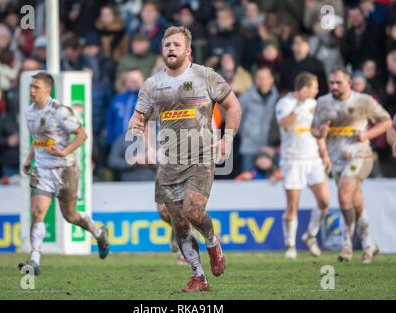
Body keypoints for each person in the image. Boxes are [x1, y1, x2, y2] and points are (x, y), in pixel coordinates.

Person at [127, 26, 242, 292]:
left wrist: (227, 139)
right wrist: (139, 138)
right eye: (167, 45)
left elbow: (233, 106)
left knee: (193, 212)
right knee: (178, 220)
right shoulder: (152, 85)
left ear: (187, 50)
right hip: (169, 160)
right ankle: (198, 277)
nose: (170, 49)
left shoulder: (206, 76)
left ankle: (212, 242)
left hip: (201, 155)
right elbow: (139, 119)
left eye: (176, 45)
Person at [18, 72, 110, 275]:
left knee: (70, 216)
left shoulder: (60, 111)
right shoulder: (29, 113)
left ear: (47, 90)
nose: (31, 91)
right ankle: (34, 261)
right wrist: (29, 159)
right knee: (37, 212)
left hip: (66, 169)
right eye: (31, 87)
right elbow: (38, 138)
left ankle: (99, 232)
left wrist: (64, 151)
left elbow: (82, 134)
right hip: (42, 169)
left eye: (36, 87)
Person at [311, 67, 392, 263]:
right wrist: (320, 133)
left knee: (344, 196)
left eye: (338, 83)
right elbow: (314, 130)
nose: (334, 86)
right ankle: (368, 244)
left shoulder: (363, 101)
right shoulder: (323, 102)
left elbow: (387, 121)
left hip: (360, 155)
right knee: (355, 202)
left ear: (349, 83)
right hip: (337, 157)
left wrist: (366, 135)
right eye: (331, 83)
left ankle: (346, 243)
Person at [275, 72, 330, 259]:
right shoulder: (285, 103)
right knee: (292, 205)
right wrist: (299, 104)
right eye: (315, 87)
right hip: (292, 160)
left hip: (313, 159)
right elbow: (286, 125)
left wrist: (324, 152)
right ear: (305, 89)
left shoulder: (315, 105)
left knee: (324, 202)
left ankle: (311, 235)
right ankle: (290, 246)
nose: (317, 90)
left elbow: (316, 132)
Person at [238, 66, 279, 172]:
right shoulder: (246, 97)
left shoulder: (278, 98)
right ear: (255, 79)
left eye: (265, 78)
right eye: (259, 77)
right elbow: (237, 118)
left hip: (269, 149)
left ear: (271, 79)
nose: (262, 80)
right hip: (249, 146)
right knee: (246, 182)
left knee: (270, 184)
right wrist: (246, 133)